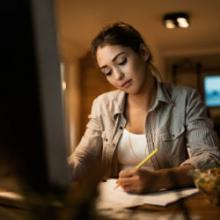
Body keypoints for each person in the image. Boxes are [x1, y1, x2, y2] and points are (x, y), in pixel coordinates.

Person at [68, 22, 220, 194]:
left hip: (170, 206)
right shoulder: (103, 105)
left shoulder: (186, 99)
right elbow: (83, 157)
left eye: (122, 61)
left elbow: (210, 159)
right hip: (117, 205)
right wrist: (56, 172)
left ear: (143, 52)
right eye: (107, 72)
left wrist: (160, 179)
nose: (118, 76)